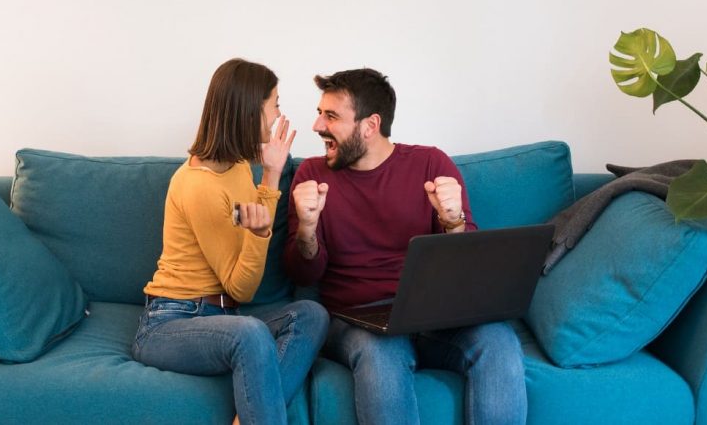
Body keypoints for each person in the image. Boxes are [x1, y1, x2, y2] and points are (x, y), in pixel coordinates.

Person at [283, 68, 527, 425]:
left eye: (331, 116)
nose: (317, 125)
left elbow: (466, 270)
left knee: (499, 341)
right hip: (357, 320)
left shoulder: (431, 164)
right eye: (320, 113)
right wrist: (307, 228)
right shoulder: (312, 175)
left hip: (432, 317)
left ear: (370, 125)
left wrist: (454, 222)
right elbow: (303, 273)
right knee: (381, 351)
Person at [133, 58, 329, 425]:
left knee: (312, 315)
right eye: (275, 105)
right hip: (169, 323)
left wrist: (270, 173)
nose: (278, 115)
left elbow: (252, 222)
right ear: (250, 111)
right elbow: (241, 287)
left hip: (222, 316)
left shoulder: (237, 166)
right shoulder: (198, 186)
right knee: (250, 334)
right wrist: (260, 232)